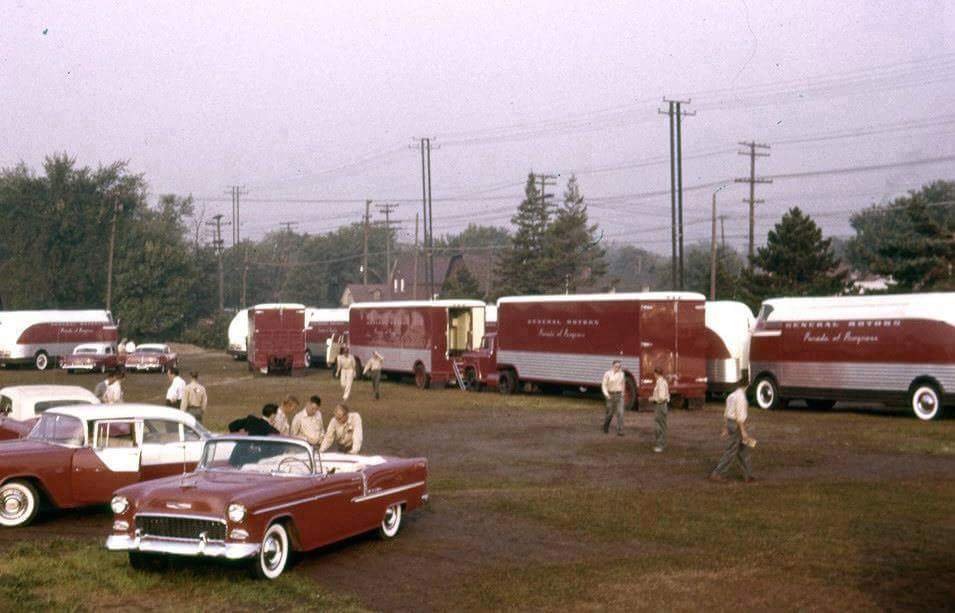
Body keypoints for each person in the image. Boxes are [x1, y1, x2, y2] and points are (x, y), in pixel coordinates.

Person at [710, 379, 756, 483]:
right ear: (747, 386)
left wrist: (726, 426)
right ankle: (718, 473)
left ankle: (748, 475)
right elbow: (740, 417)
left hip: (731, 423)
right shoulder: (741, 398)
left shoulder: (731, 396)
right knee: (731, 451)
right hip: (737, 425)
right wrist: (744, 432)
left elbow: (726, 413)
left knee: (742, 450)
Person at [601, 360, 625, 436]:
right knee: (610, 413)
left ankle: (620, 430)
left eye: (619, 366)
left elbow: (623, 384)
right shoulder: (607, 374)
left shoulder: (622, 374)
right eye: (616, 366)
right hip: (610, 394)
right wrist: (606, 394)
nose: (618, 368)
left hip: (619, 395)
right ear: (613, 366)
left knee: (620, 413)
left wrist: (623, 393)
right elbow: (604, 385)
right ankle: (606, 425)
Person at [650, 367, 671, 453]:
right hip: (662, 406)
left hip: (660, 405)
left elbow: (661, 397)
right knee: (662, 425)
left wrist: (653, 398)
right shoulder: (663, 382)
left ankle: (660, 445)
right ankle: (662, 444)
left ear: (656, 374)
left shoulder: (660, 383)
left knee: (659, 426)